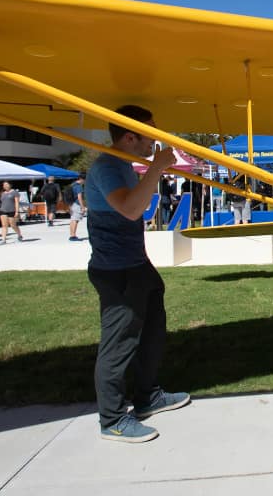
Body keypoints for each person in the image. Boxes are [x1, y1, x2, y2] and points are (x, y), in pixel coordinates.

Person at [85, 104, 189, 443]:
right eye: (151, 131)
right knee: (119, 343)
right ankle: (112, 419)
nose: (156, 139)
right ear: (130, 136)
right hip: (116, 271)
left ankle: (147, 397)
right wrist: (157, 168)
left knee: (153, 331)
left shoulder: (124, 165)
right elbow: (131, 209)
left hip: (135, 265)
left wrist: (152, 168)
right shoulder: (107, 168)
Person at [69, 175, 86, 241]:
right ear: (82, 179)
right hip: (77, 204)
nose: (85, 182)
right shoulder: (79, 186)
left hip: (72, 204)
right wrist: (82, 206)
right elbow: (79, 197)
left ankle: (72, 235)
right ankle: (73, 236)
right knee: (75, 220)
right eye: (85, 180)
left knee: (73, 220)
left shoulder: (72, 185)